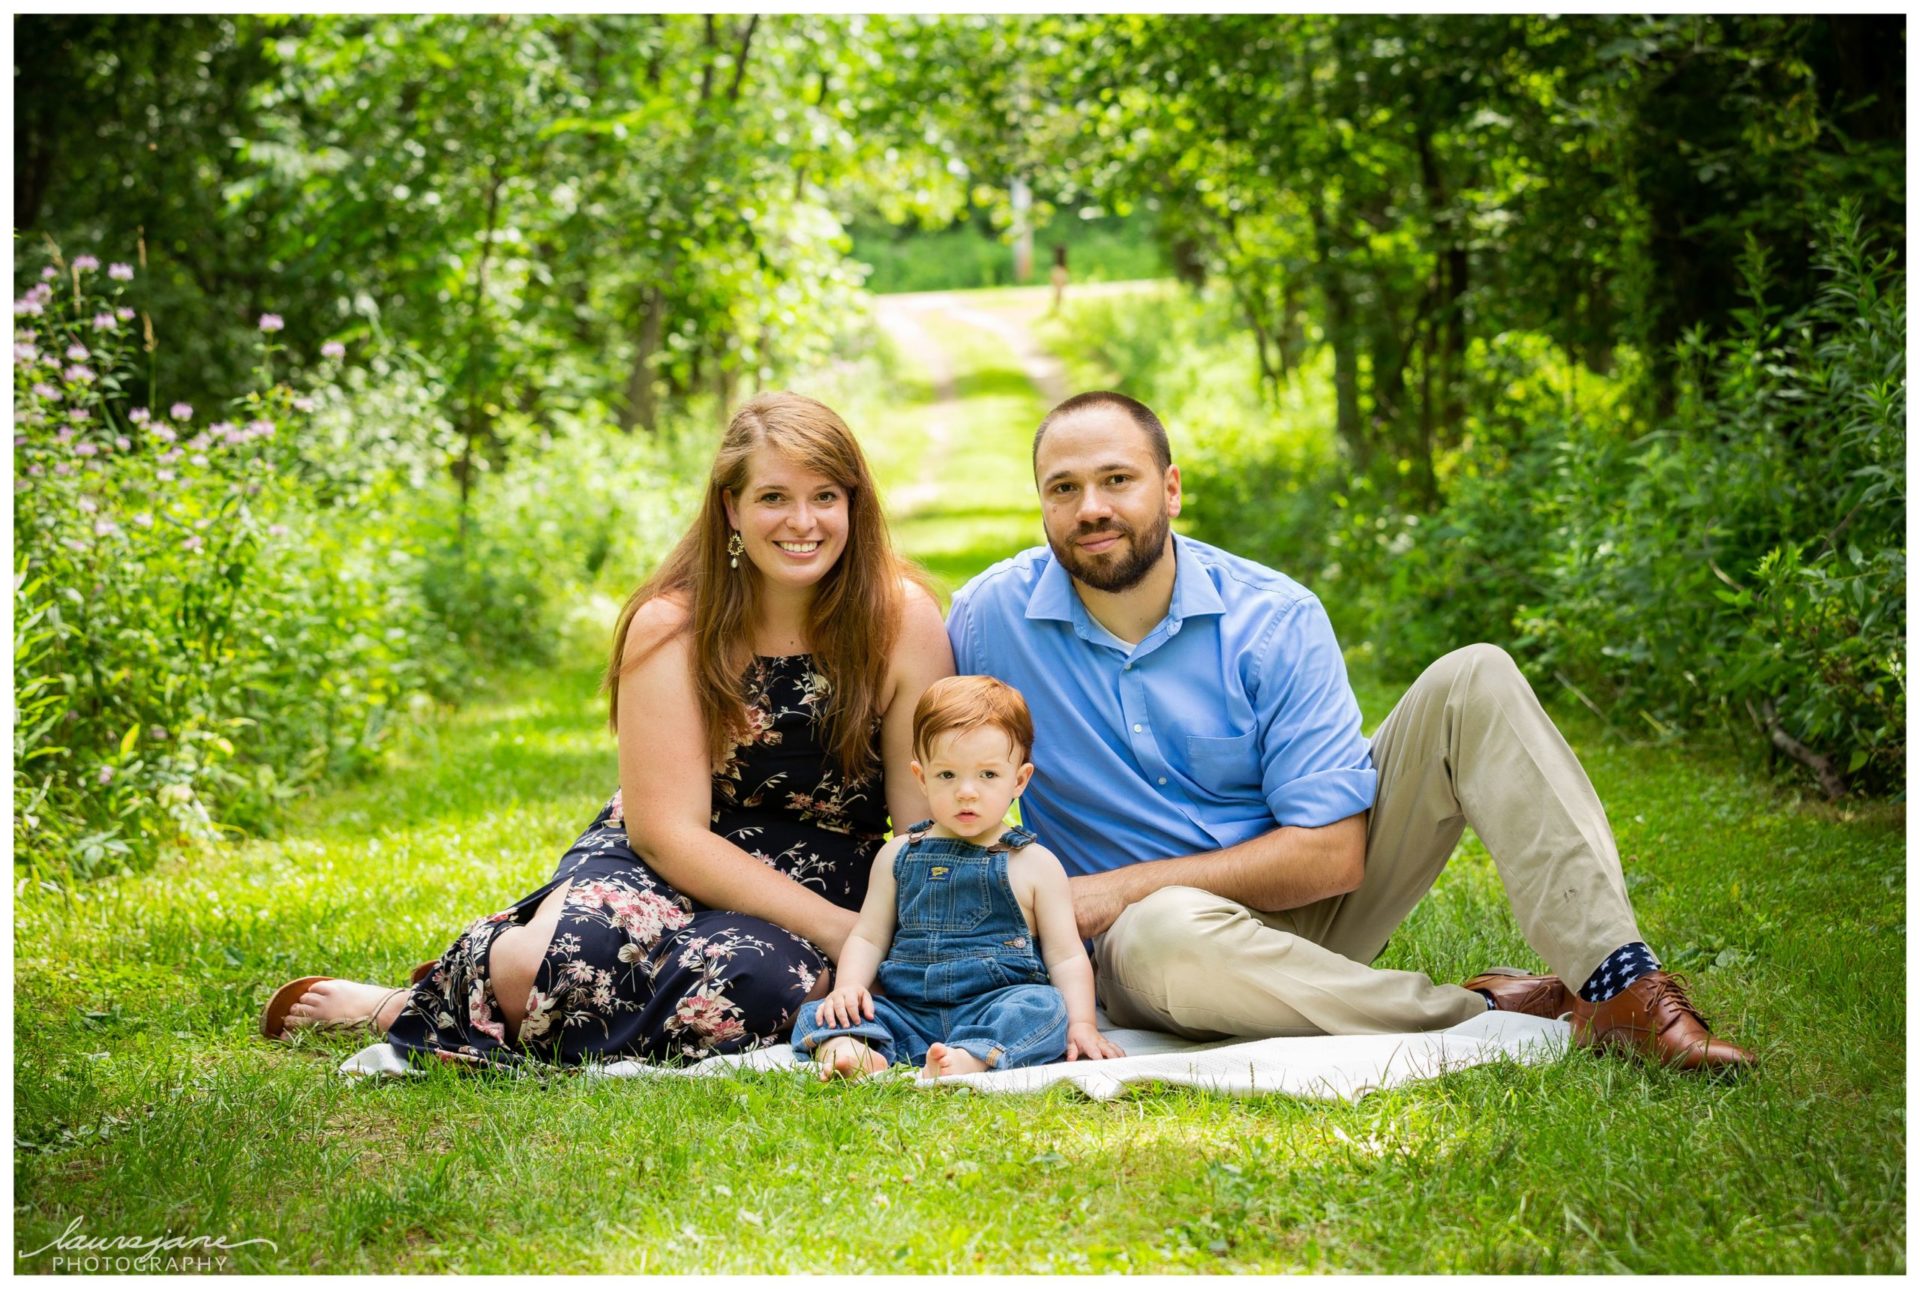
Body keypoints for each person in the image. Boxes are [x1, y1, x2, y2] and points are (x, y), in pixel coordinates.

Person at [944, 390, 1754, 1073]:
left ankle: (1620, 984)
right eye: (1063, 488)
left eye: (1117, 479)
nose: (1092, 509)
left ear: (1172, 489)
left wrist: (1115, 887)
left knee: (1474, 674)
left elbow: (1332, 853)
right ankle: (1480, 1009)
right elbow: (926, 743)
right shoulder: (989, 620)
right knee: (1160, 930)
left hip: (1315, 905)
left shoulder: (1273, 615)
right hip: (1153, 950)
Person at [261, 392, 955, 1067]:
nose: (802, 520)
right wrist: (848, 935)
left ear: (853, 505)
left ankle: (492, 1012)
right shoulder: (673, 625)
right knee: (551, 968)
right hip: (669, 850)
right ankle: (432, 997)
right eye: (774, 496)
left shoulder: (901, 623)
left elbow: (924, 824)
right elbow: (666, 831)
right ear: (731, 507)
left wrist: (886, 927)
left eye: (825, 496)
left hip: (826, 870)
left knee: (757, 992)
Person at [789, 675, 1126, 1080]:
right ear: (921, 777)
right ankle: (851, 1050)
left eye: (987, 775)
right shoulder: (898, 854)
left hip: (996, 1005)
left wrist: (1082, 1025)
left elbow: (1067, 956)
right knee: (819, 1011)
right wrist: (848, 988)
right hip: (910, 1007)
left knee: (1044, 1009)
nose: (967, 792)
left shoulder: (1034, 863)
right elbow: (868, 936)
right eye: (948, 775)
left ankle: (971, 1057)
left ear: (1019, 780)